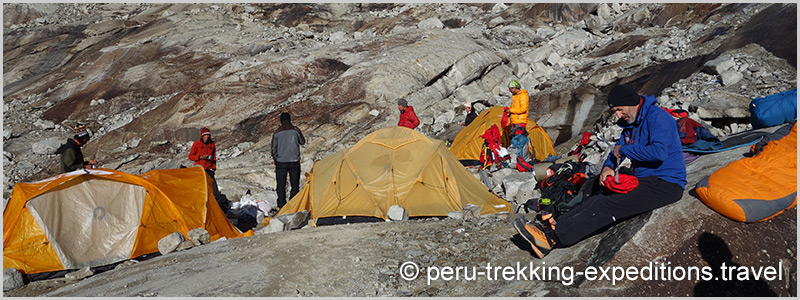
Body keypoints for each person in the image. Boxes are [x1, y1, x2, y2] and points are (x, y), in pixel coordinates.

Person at [513, 84, 687, 258]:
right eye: (615, 111)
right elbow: (615, 151)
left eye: (620, 109)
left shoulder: (657, 118)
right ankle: (553, 224)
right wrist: (607, 168)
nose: (618, 115)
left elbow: (659, 152)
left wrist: (625, 151)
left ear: (632, 102)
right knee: (595, 189)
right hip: (645, 179)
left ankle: (552, 238)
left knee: (608, 203)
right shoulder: (632, 122)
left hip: (666, 183)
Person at [188, 126, 229, 212]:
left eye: (208, 135)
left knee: (214, 188)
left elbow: (214, 157)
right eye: (205, 135)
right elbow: (190, 156)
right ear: (202, 136)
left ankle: (216, 206)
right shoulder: (196, 144)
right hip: (199, 169)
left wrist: (214, 168)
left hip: (209, 169)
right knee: (199, 188)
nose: (207, 136)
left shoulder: (212, 144)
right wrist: (200, 157)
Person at [271, 112, 306, 209]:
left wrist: (276, 160)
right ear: (290, 119)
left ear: (281, 121)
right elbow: (302, 142)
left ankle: (282, 204)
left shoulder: (277, 132)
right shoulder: (295, 130)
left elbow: (273, 149)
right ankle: (293, 202)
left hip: (281, 162)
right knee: (295, 183)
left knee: (281, 184)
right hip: (294, 161)